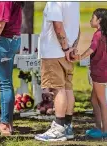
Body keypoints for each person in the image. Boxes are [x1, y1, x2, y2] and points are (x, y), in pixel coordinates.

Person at [34, 2, 80, 142]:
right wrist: (72, 48)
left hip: (54, 52)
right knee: (67, 88)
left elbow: (58, 26)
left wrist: (66, 48)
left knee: (57, 89)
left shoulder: (54, 3)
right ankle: (67, 126)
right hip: (67, 51)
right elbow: (77, 28)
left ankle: (59, 128)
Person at [75, 8, 107, 139]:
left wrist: (80, 57)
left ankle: (105, 130)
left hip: (99, 73)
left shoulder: (98, 35)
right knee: (94, 100)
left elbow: (91, 49)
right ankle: (98, 127)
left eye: (92, 18)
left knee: (101, 102)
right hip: (104, 71)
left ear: (99, 20)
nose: (90, 20)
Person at [0, 1, 24, 136]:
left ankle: (5, 124)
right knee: (6, 83)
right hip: (12, 39)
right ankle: (8, 122)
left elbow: (0, 24)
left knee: (4, 83)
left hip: (4, 40)